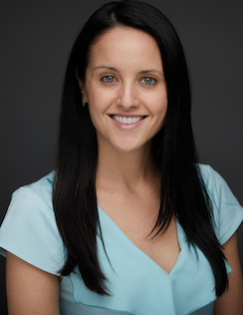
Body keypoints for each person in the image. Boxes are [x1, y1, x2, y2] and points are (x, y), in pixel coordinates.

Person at [0, 0, 243, 314]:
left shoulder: (209, 189)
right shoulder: (38, 212)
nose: (127, 100)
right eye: (108, 78)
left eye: (148, 80)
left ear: (172, 90)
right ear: (83, 86)